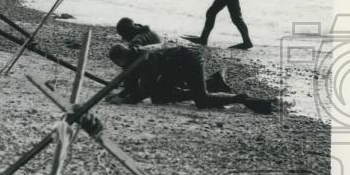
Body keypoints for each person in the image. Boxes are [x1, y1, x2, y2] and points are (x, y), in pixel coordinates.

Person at [107, 43, 274, 112]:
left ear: (122, 58)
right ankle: (213, 82)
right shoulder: (133, 58)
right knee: (160, 97)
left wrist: (125, 100)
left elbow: (144, 90)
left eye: (118, 63)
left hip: (189, 60)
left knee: (202, 102)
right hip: (173, 65)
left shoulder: (145, 59)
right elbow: (132, 86)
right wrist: (121, 95)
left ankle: (242, 99)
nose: (120, 67)